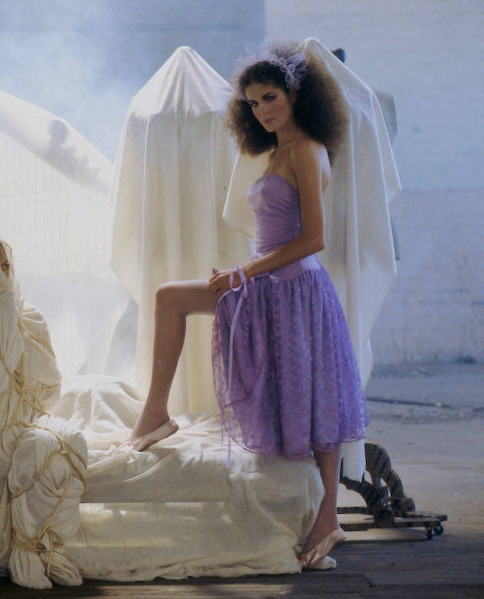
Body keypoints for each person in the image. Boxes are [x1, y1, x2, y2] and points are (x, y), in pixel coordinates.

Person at [129, 43, 369, 569]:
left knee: (319, 398)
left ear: (294, 94)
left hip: (296, 289)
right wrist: (246, 271)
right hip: (266, 283)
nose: (262, 110)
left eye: (270, 98)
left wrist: (244, 272)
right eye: (253, 102)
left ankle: (329, 517)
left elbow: (314, 240)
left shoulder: (306, 151)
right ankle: (155, 415)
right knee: (169, 298)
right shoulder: (277, 152)